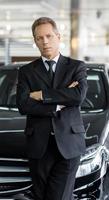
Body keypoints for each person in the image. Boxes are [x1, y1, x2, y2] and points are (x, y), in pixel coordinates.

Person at [16, 17, 88, 200]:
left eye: (49, 36)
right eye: (39, 38)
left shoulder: (76, 67)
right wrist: (59, 102)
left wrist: (41, 95)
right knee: (41, 196)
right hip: (38, 146)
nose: (45, 41)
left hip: (69, 144)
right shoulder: (26, 71)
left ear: (58, 36)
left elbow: (78, 97)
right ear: (35, 41)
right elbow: (23, 104)